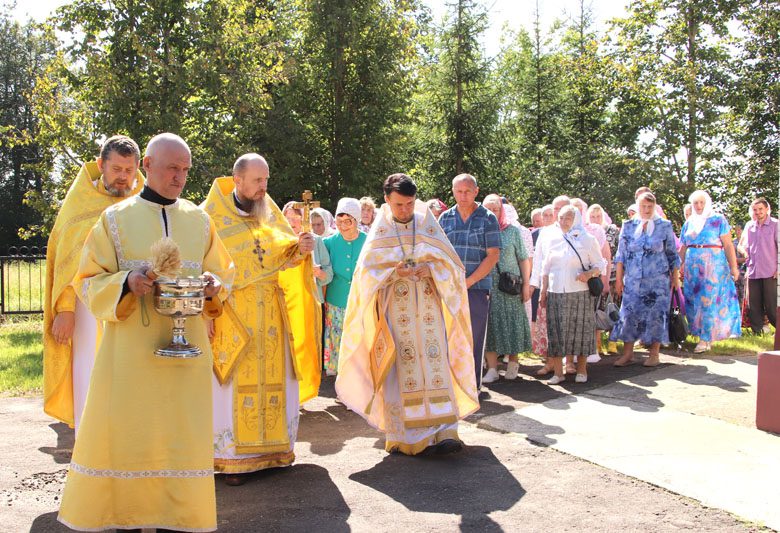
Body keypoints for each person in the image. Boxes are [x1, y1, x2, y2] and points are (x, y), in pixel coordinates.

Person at [57, 133, 235, 532]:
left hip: (188, 352)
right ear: (148, 165)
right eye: (173, 167)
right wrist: (126, 282)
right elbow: (86, 280)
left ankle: (179, 517)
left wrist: (213, 286)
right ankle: (126, 515)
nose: (180, 177)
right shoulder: (115, 219)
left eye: (186, 170)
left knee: (181, 436)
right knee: (130, 434)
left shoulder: (198, 219)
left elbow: (225, 274)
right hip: (130, 355)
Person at [336, 173, 478, 454]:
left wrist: (433, 270)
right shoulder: (380, 230)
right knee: (404, 369)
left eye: (410, 203)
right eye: (399, 205)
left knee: (435, 363)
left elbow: (453, 267)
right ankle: (412, 439)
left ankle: (445, 431)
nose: (406, 210)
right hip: (397, 314)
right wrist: (392, 272)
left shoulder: (427, 222)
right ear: (387, 201)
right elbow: (365, 275)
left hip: (428, 310)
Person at [203, 154, 321, 486]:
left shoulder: (266, 214)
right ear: (237, 180)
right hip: (233, 316)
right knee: (232, 385)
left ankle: (272, 454)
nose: (263, 188)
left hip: (270, 315)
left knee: (276, 379)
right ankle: (234, 460)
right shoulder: (210, 219)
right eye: (257, 181)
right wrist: (205, 311)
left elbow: (283, 254)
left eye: (266, 180)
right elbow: (199, 267)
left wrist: (301, 247)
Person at [43, 135, 144, 433]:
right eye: (116, 169)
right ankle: (90, 439)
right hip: (87, 306)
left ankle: (129, 437)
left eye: (129, 170)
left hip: (133, 303)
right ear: (101, 165)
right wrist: (65, 310)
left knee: (132, 372)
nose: (123, 177)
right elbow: (65, 260)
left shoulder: (142, 203)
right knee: (90, 367)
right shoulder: (80, 204)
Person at [439, 174, 501, 389]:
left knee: (473, 340)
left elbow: (493, 255)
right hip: (450, 289)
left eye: (467, 191)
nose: (463, 196)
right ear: (453, 192)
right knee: (449, 338)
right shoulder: (445, 218)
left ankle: (471, 387)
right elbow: (439, 254)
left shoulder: (488, 218)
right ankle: (450, 387)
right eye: (458, 191)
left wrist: (470, 281)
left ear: (476, 191)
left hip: (477, 289)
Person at [612, 193, 681, 367]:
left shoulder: (664, 226)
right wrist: (619, 280)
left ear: (655, 207)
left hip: (658, 281)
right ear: (637, 206)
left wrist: (676, 277)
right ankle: (628, 354)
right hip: (633, 280)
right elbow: (620, 255)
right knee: (629, 315)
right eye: (643, 206)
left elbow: (672, 255)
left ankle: (654, 353)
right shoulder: (628, 225)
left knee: (656, 315)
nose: (646, 210)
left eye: (650, 207)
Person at [539, 205, 604, 384]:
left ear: (576, 219)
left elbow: (600, 264)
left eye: (567, 218)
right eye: (560, 217)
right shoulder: (552, 239)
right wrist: (543, 291)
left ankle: (581, 370)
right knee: (556, 332)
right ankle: (558, 373)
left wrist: (588, 274)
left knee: (580, 330)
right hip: (555, 292)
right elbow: (546, 268)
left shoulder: (587, 239)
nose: (563, 221)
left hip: (579, 292)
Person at [679, 190, 741, 352]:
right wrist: (679, 266)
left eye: (702, 202)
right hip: (693, 269)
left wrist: (734, 267)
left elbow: (728, 245)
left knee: (709, 300)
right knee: (693, 301)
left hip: (713, 267)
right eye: (695, 203)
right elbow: (683, 246)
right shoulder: (689, 222)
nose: (699, 206)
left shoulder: (718, 220)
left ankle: (706, 339)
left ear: (707, 203)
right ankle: (699, 334)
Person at [482, 195, 531, 383]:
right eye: (488, 209)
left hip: (510, 285)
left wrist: (526, 284)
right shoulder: (480, 231)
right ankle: (492, 368)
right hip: (488, 285)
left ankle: (513, 363)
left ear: (501, 210)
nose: (491, 213)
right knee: (491, 325)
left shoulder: (512, 231)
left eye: (495, 209)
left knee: (513, 324)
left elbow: (523, 258)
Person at [323, 198, 367, 375]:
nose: (343, 225)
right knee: (338, 344)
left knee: (358, 345)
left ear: (356, 220)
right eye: (339, 221)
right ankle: (341, 385)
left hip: (361, 301)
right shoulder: (328, 243)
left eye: (348, 221)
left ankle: (358, 386)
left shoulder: (368, 241)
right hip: (336, 301)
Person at [531, 195, 571, 375]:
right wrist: (534, 284)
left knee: (570, 325)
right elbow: (538, 259)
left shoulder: (579, 231)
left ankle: (569, 362)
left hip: (572, 287)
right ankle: (550, 363)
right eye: (556, 209)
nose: (558, 212)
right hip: (548, 286)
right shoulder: (546, 232)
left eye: (563, 208)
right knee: (548, 326)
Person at [739, 198, 777, 334]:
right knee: (753, 304)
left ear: (767, 209)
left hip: (770, 271)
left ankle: (777, 330)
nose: (758, 212)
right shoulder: (749, 226)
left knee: (771, 305)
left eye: (761, 209)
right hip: (753, 270)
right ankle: (757, 331)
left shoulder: (775, 225)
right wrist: (745, 252)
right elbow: (741, 246)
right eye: (755, 209)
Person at [587, 204, 620, 355]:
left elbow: (618, 252)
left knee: (612, 308)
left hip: (612, 273)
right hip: (595, 275)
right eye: (592, 216)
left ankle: (613, 341)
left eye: (598, 216)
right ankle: (598, 343)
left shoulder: (611, 230)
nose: (595, 219)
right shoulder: (587, 230)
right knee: (597, 309)